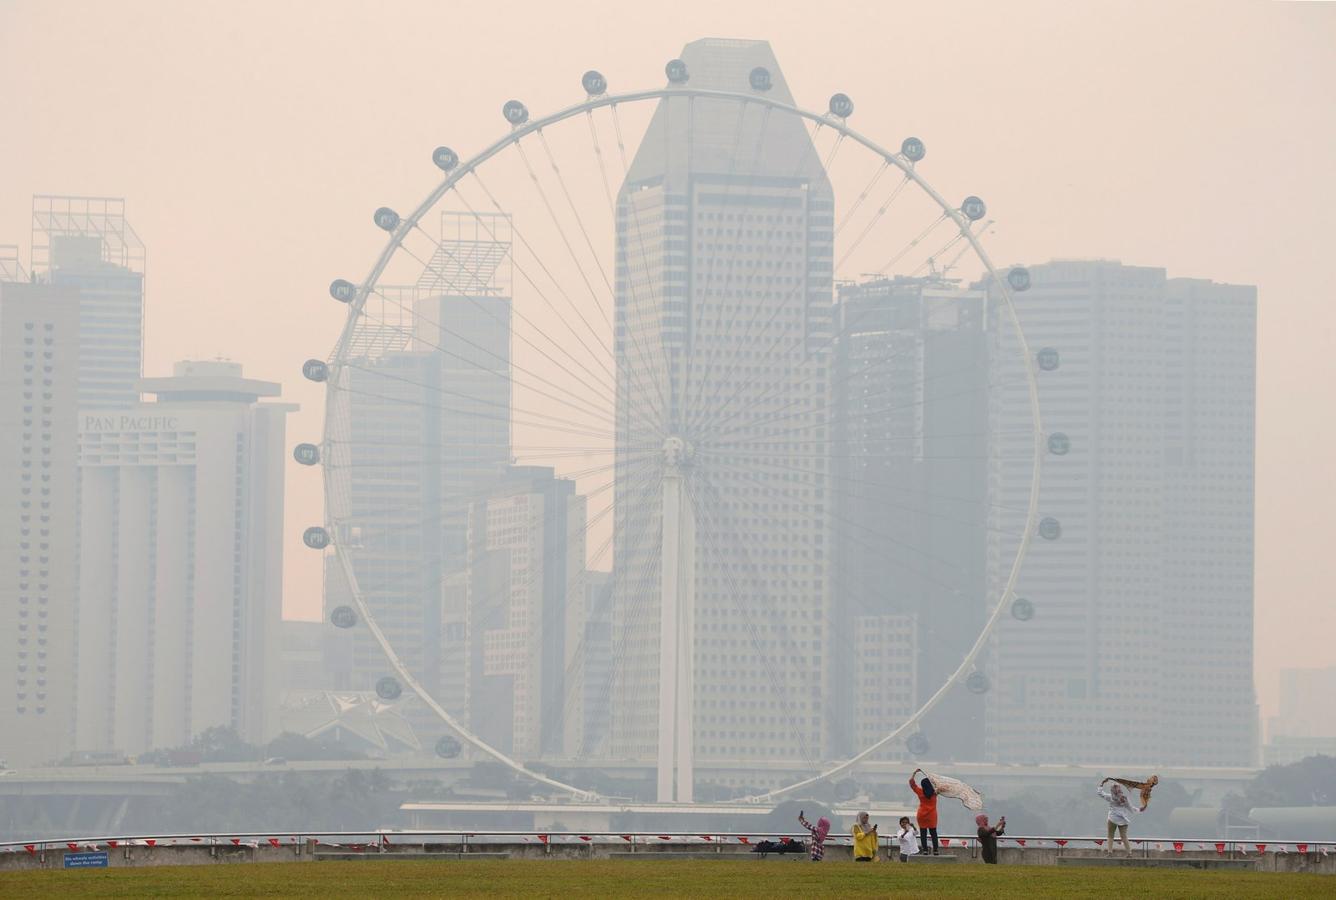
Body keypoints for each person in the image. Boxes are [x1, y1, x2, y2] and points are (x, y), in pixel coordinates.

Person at [1097, 779, 1137, 856]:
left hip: (1112, 818)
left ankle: (1110, 852)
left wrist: (1101, 784)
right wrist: (1138, 810)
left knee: (1110, 835)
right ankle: (1129, 853)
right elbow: (1130, 807)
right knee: (1124, 836)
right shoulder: (1124, 799)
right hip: (1123, 819)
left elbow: (1100, 793)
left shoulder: (1110, 797)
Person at [910, 768, 940, 855]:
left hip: (921, 815)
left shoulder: (920, 792)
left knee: (923, 833)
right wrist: (931, 777)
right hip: (932, 815)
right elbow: (940, 785)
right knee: (933, 833)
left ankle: (925, 850)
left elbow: (912, 784)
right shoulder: (935, 793)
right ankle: (935, 850)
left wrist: (914, 773)